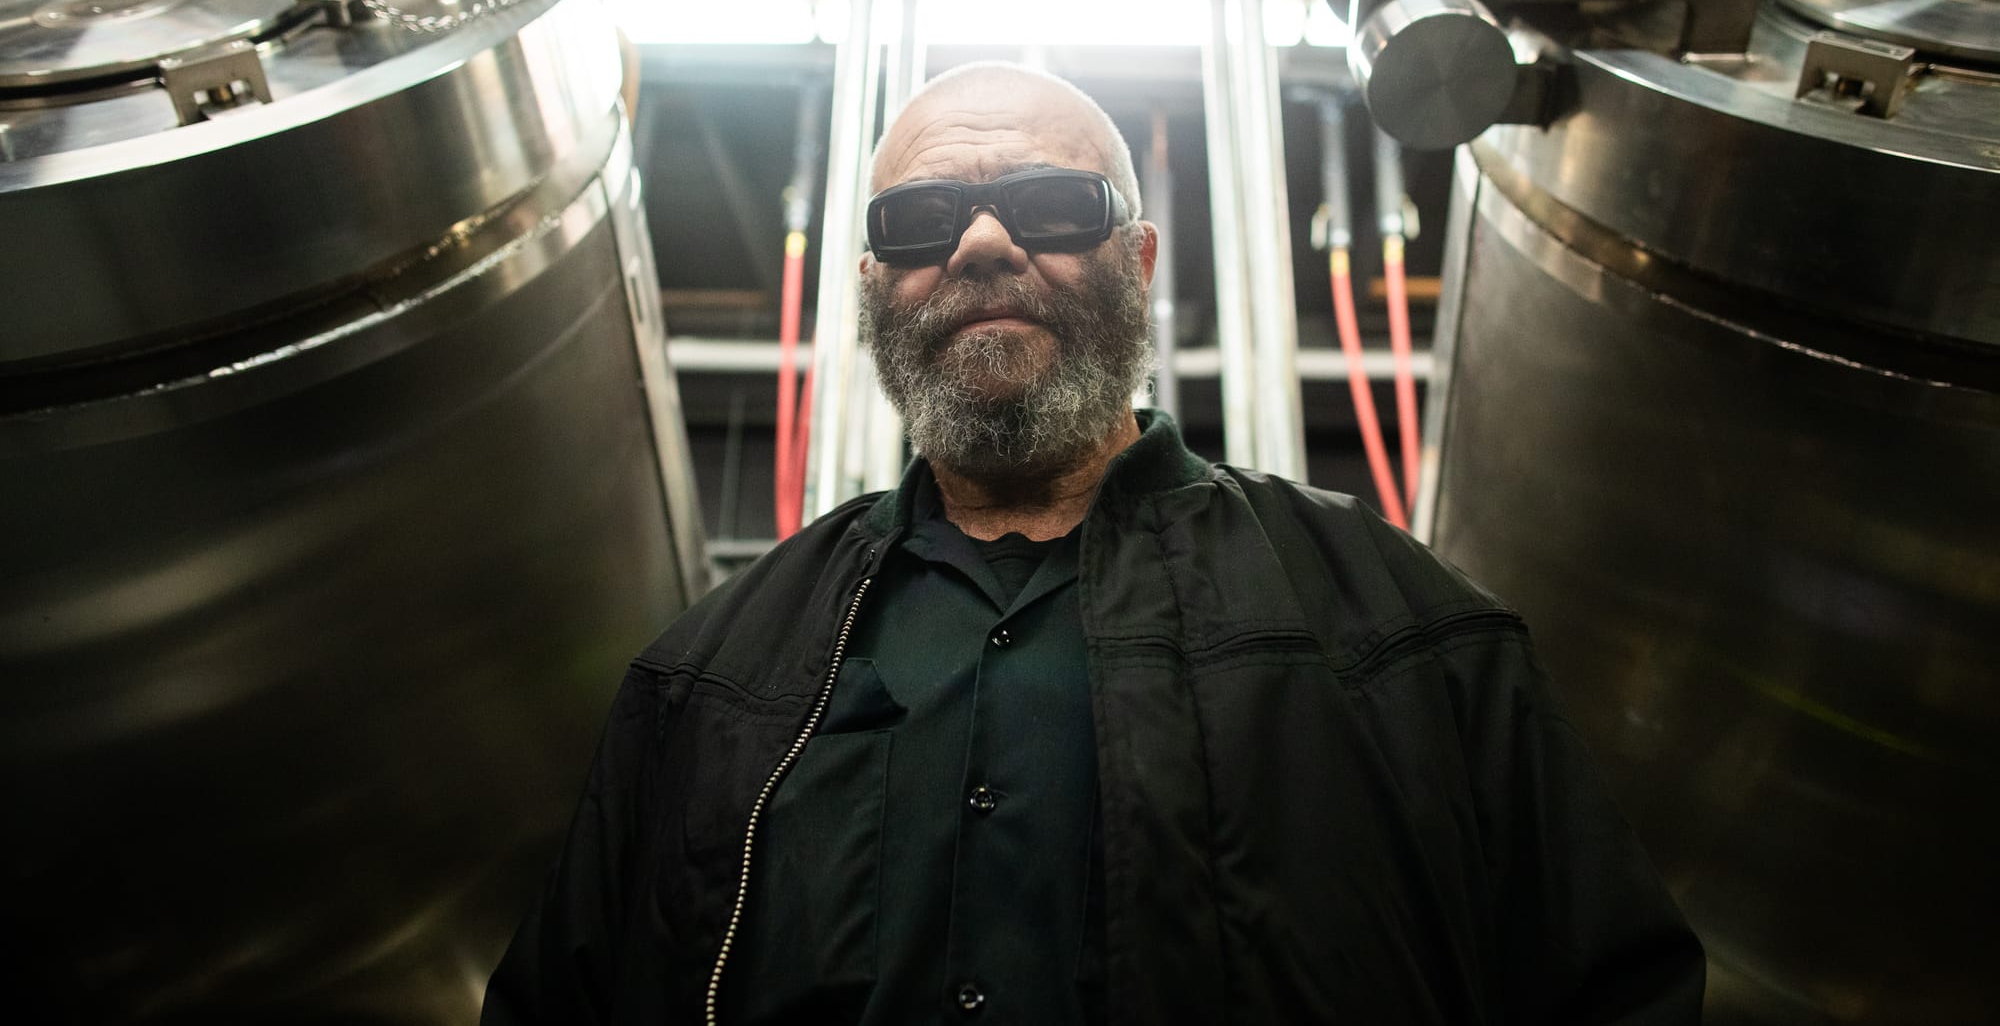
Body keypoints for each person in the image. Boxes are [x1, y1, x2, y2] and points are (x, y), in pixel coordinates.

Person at [482, 62, 1704, 1025]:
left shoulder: (1404, 636)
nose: (978, 244)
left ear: (1140, 260)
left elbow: (1607, 991)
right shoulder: (705, 682)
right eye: (920, 222)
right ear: (872, 283)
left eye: (1049, 207)